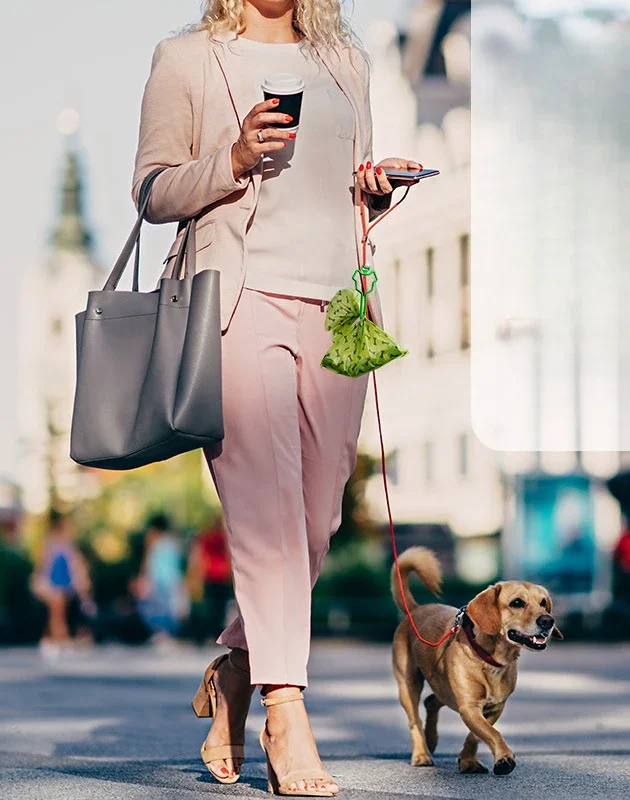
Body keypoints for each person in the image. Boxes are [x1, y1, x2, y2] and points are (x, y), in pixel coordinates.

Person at [133, 1, 423, 794]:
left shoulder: (344, 62)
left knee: (317, 519)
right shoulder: (189, 57)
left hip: (337, 309)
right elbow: (154, 192)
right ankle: (285, 712)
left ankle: (233, 664)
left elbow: (343, 195)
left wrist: (374, 191)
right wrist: (230, 157)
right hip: (237, 302)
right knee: (265, 516)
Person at [31, 510, 94, 656]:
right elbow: (44, 566)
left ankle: (50, 640)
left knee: (58, 613)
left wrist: (81, 587)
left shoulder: (68, 546)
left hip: (64, 585)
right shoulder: (50, 544)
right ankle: (60, 640)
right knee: (57, 612)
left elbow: (75, 567)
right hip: (52, 585)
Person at [131, 513, 188, 640]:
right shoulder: (173, 543)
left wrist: (144, 579)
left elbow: (149, 565)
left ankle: (163, 633)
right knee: (169, 610)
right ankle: (169, 634)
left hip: (159, 582)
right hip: (172, 581)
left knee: (157, 609)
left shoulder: (154, 544)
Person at [185, 515, 234, 644]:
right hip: (222, 575)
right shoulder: (224, 536)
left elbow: (202, 555)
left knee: (211, 606)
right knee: (219, 607)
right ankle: (216, 634)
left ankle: (208, 633)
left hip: (210, 575)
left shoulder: (207, 536)